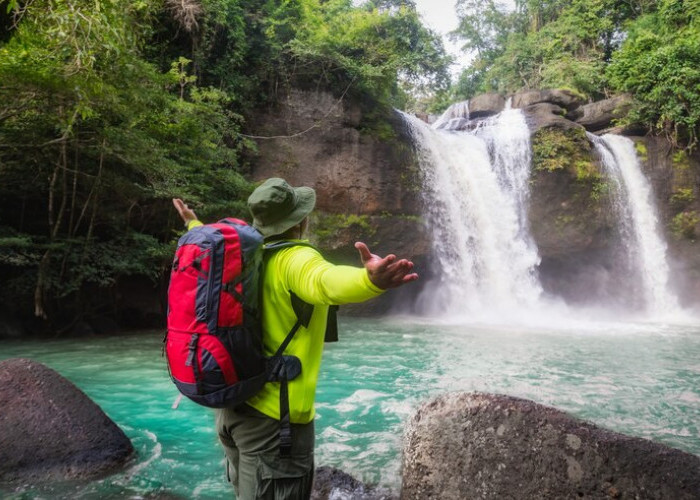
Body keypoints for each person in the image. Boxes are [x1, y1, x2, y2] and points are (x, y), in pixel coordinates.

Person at [172, 177, 418, 500]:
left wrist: (193, 223)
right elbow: (326, 281)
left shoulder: (240, 256)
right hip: (274, 425)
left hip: (232, 408)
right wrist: (369, 280)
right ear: (301, 222)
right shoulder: (295, 259)